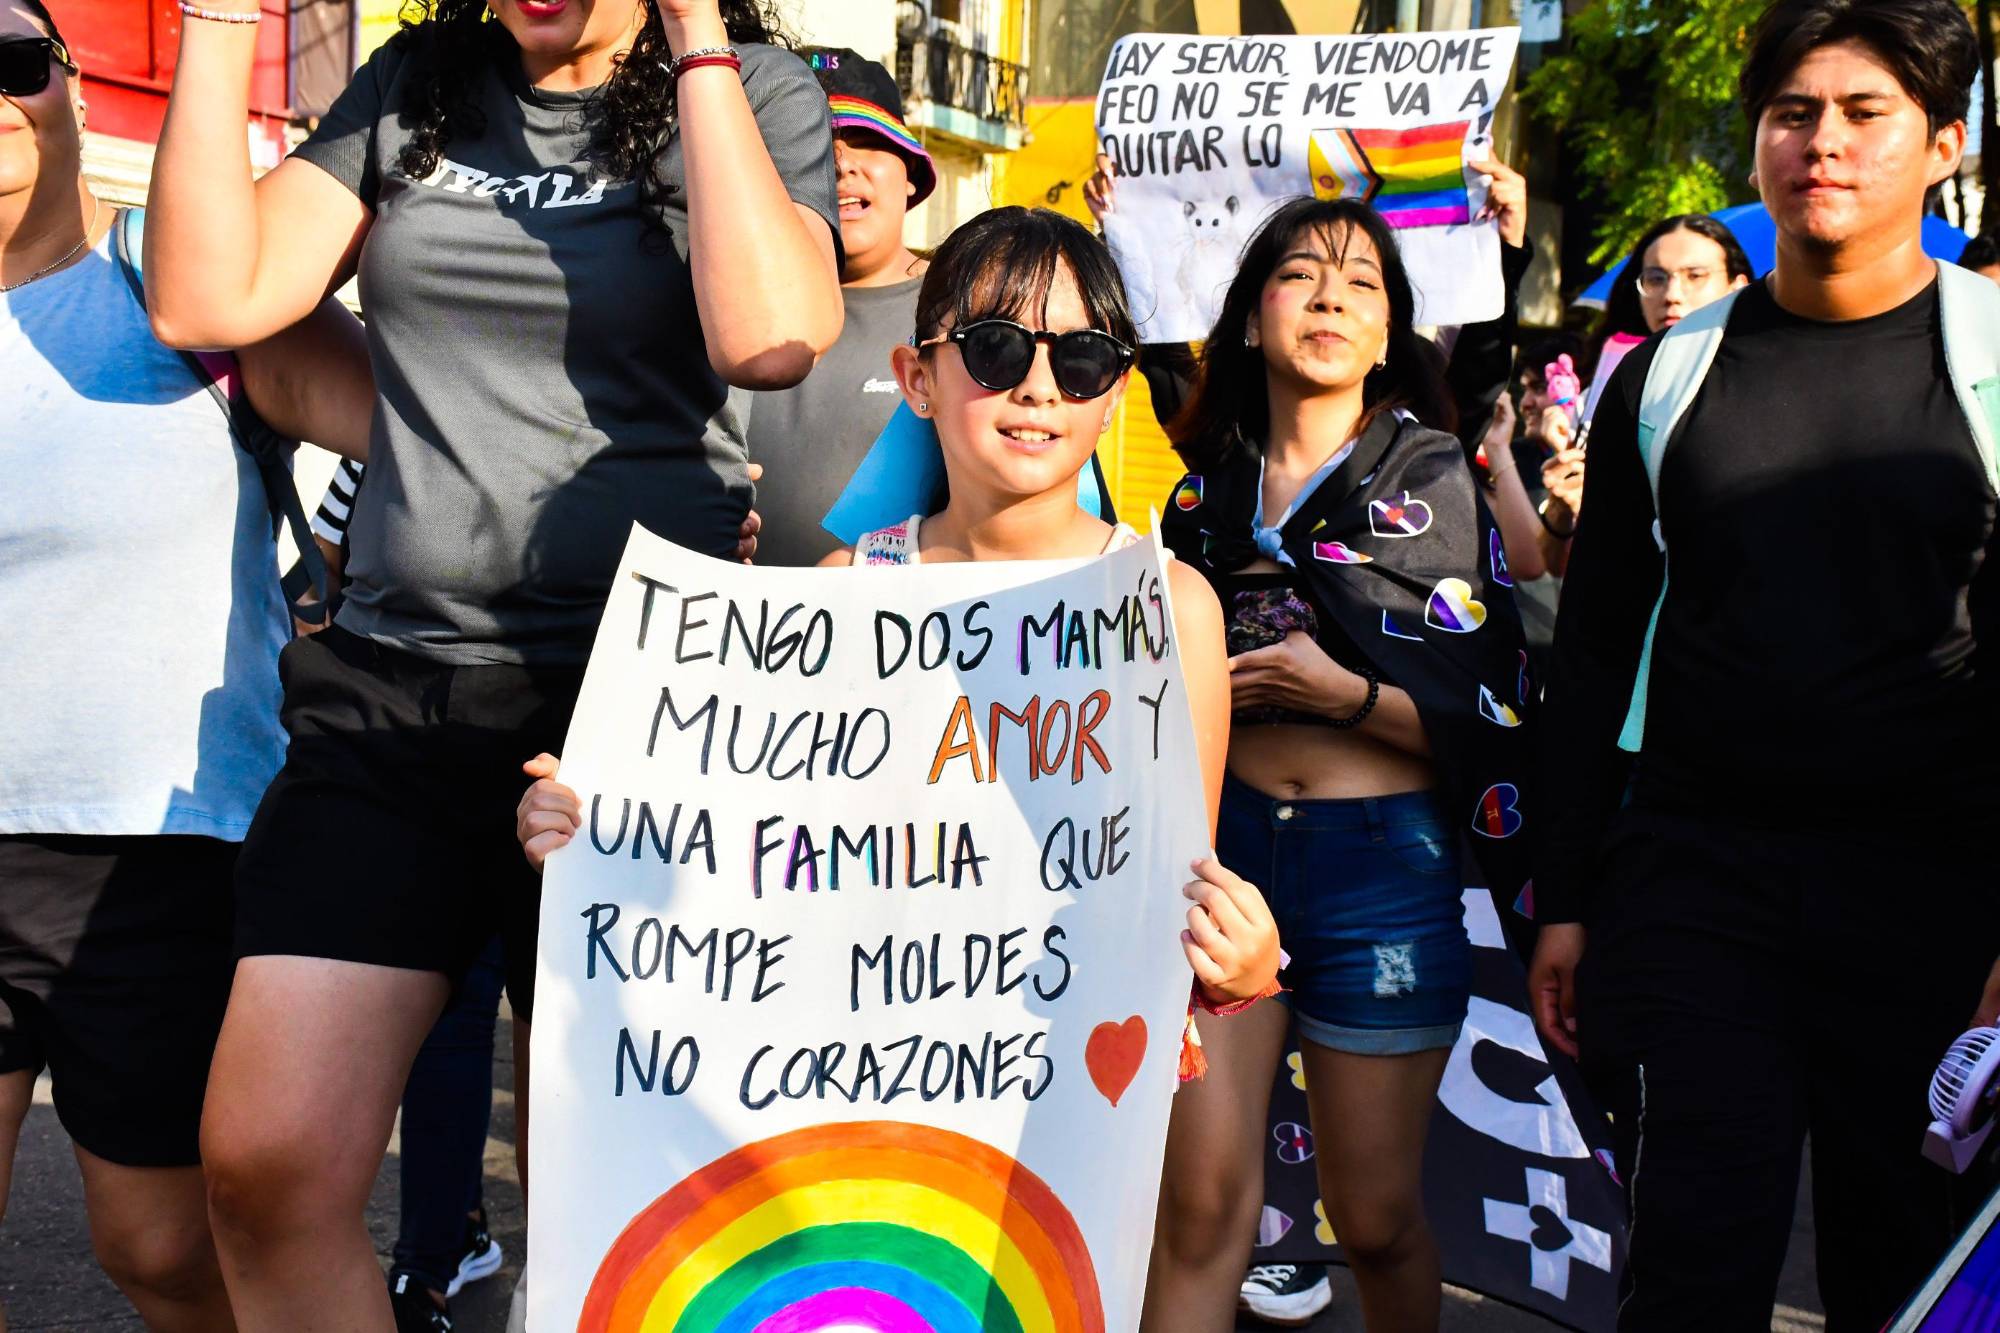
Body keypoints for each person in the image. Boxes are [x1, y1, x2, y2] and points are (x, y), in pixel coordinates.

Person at [140, 0, 844, 1323]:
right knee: (265, 1166)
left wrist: (694, 32)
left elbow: (773, 335)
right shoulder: (419, 82)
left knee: (636, 1203)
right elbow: (203, 295)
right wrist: (227, 18)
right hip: (397, 690)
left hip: (647, 706)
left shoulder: (750, 85)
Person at [512, 199, 1284, 1303]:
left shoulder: (1167, 606)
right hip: (859, 1081)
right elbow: (750, 857)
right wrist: (597, 834)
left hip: (1060, 1083)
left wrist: (1237, 969)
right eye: (997, 348)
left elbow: (1175, 876)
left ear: (1115, 389)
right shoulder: (843, 593)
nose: (1036, 387)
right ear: (917, 377)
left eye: (1078, 358)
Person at [1529, 0, 2000, 1326]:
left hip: (1933, 900)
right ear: (1755, 148)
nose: (1824, 145)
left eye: (1866, 115)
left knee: (1906, 1273)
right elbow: (1601, 646)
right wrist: (1566, 895)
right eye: (1794, 114)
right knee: (1692, 1262)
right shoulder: (1668, 376)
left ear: (1943, 144)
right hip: (1699, 886)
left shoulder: (1989, 361)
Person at [0, 1, 371, 1328]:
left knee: (159, 1250)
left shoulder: (172, 281)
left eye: (13, 63)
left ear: (72, 94)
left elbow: (407, 421)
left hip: (159, 849)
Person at [1146, 197, 1533, 1333]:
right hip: (1223, 866)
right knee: (1200, 1204)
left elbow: (1500, 724)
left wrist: (1347, 695)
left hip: (1381, 873)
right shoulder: (1194, 498)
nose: (1328, 298)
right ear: (1251, 317)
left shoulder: (1440, 483)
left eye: (1360, 282)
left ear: (1387, 331)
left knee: (1372, 1220)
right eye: (1299, 276)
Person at [748, 46, 934, 568]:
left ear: (912, 174)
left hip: (906, 638)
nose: (840, 164)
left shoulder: (965, 310)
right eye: (810, 143)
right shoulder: (717, 309)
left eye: (867, 142)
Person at [1537, 216, 1754, 578]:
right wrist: (1563, 508)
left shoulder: (1763, 387)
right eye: (1656, 278)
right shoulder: (1608, 391)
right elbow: (1553, 565)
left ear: (1737, 285)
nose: (1672, 294)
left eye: (1695, 276)